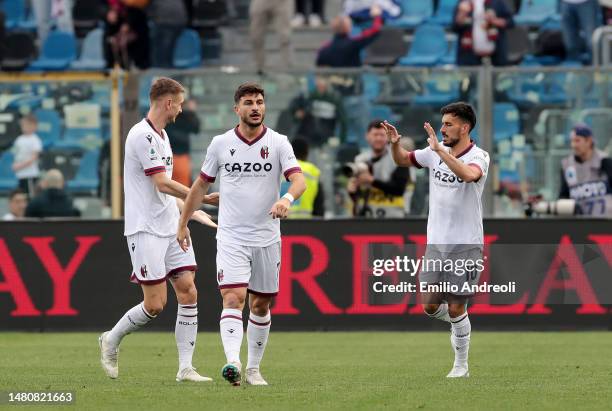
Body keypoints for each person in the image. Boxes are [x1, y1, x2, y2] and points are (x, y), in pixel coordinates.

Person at [177, 82, 307, 386]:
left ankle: (253, 369)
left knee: (261, 305)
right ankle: (233, 362)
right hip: (232, 236)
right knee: (233, 298)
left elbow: (298, 181)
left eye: (259, 102)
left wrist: (286, 199)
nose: (255, 107)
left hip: (266, 237)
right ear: (237, 109)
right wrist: (183, 222)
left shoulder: (278, 143)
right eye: (248, 102)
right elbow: (200, 186)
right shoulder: (221, 144)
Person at [98, 77, 218, 383]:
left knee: (189, 290)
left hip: (169, 227)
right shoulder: (141, 136)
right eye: (178, 102)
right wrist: (200, 196)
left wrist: (191, 212)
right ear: (168, 102)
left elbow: (164, 194)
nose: (180, 108)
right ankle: (111, 339)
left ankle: (185, 368)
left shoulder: (162, 135)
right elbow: (162, 183)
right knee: (155, 305)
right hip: (145, 229)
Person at [383, 102, 490, 378]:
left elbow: (468, 175)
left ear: (464, 128)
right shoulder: (433, 152)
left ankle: (461, 365)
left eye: (448, 124)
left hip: (466, 243)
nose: (442, 129)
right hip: (436, 244)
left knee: (456, 305)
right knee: (430, 305)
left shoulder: (479, 156)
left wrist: (441, 151)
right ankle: (459, 326)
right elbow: (402, 159)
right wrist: (395, 144)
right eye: (442, 124)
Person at [347, 120, 409, 218]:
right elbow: (357, 194)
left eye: (382, 135)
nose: (378, 138)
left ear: (388, 137)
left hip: (393, 218)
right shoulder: (360, 159)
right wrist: (352, 190)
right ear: (367, 136)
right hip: (365, 217)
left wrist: (371, 180)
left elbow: (399, 189)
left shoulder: (397, 157)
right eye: (375, 135)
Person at [557, 124, 612, 216]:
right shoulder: (567, 166)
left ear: (589, 141)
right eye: (572, 141)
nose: (573, 145)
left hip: (605, 222)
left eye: (577, 140)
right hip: (579, 224)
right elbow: (564, 196)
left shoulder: (605, 161)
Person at [316, 4, 382, 67]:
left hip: (333, 78)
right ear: (348, 28)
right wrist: (377, 16)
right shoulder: (353, 43)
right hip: (352, 78)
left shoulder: (324, 49)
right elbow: (375, 30)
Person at [289, 75, 347, 146]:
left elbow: (343, 121)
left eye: (323, 86)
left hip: (326, 132)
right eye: (319, 86)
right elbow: (297, 110)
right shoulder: (310, 97)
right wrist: (298, 113)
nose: (321, 89)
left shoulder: (334, 99)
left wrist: (341, 139)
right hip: (309, 132)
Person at [453, 0, 515, 66]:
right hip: (470, 56)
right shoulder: (464, 2)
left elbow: (510, 23)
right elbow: (455, 27)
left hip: (496, 56)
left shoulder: (497, 2)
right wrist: (462, 13)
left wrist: (493, 20)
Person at [250, 0, 293, 74]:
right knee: (256, 37)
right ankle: (259, 67)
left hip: (282, 2)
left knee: (285, 37)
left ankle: (288, 69)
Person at [166, 98, 200, 187]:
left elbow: (196, 129)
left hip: (181, 155)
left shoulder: (186, 115)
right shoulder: (170, 115)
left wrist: (192, 112)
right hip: (173, 155)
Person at [287, 138, 324, 218]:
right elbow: (319, 207)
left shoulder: (280, 169)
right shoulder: (313, 171)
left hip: (280, 224)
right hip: (306, 225)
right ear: (306, 153)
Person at [149, 0, 188, 68]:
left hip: (167, 22)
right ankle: (164, 65)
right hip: (178, 21)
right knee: (167, 44)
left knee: (163, 45)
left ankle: (161, 67)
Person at [11, 114, 43, 197]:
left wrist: (20, 166)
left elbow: (34, 157)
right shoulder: (19, 139)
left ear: (34, 126)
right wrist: (15, 165)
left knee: (30, 196)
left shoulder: (35, 140)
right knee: (22, 196)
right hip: (20, 175)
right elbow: (16, 155)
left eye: (27, 125)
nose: (24, 127)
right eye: (23, 125)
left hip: (30, 175)